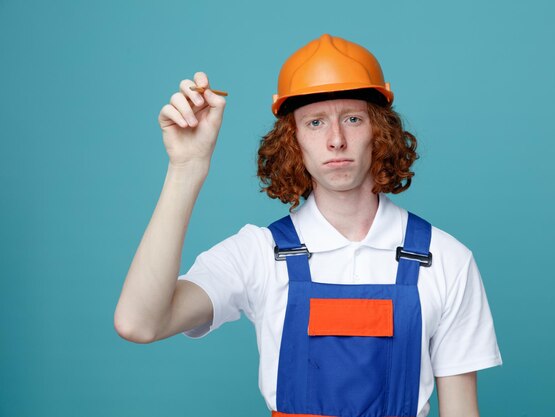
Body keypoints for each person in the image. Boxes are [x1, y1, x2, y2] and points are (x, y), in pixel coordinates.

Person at [114, 34, 502, 417]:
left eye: (352, 118)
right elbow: (140, 323)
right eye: (315, 122)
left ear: (379, 132)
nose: (336, 140)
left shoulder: (445, 259)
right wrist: (187, 167)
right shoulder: (259, 254)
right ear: (293, 140)